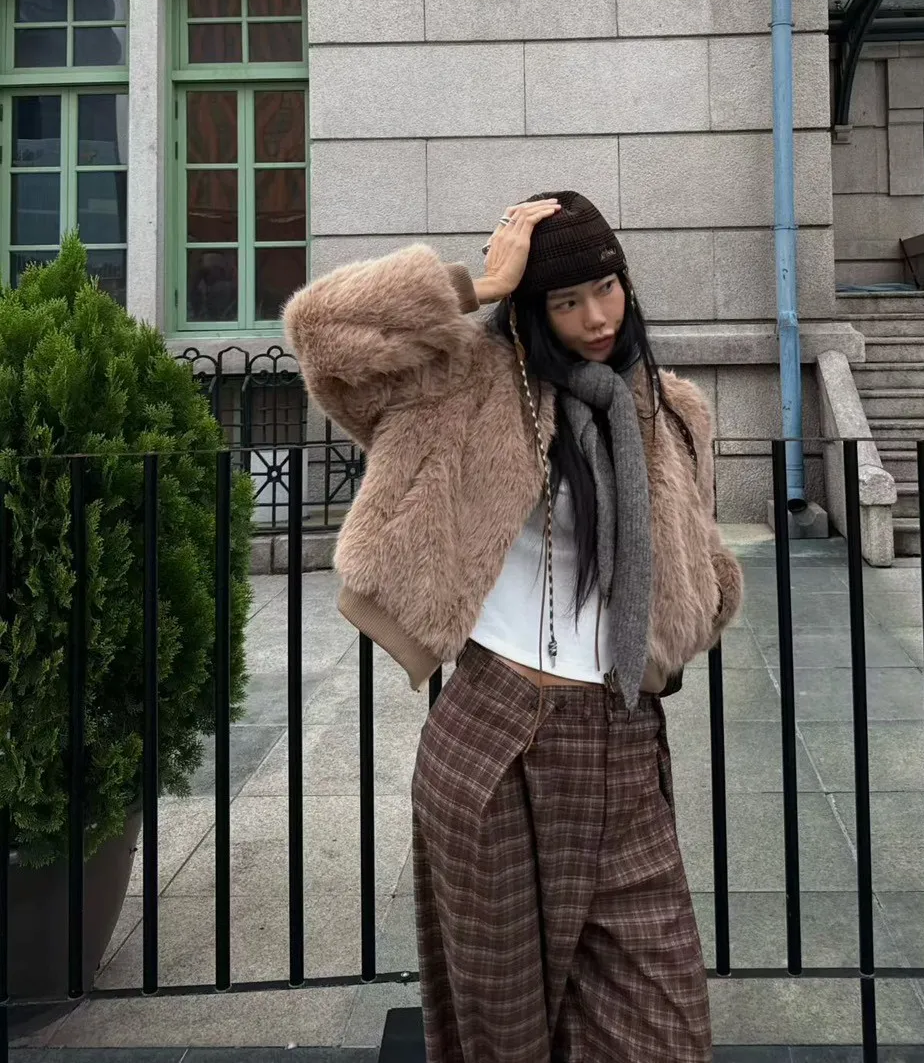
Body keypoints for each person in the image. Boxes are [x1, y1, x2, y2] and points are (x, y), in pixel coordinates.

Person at [284, 191, 742, 1063]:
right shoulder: (470, 382)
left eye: (606, 287)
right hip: (493, 731)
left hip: (620, 741)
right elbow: (323, 337)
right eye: (565, 300)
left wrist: (694, 608)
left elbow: (700, 564)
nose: (596, 316)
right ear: (533, 309)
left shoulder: (673, 412)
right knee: (502, 1036)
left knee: (665, 1029)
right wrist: (482, 284)